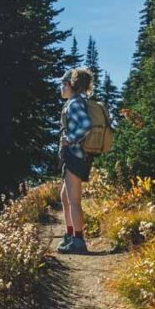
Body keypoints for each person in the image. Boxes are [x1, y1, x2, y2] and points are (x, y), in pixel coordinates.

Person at [58, 68, 94, 254]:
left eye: (63, 84)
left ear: (70, 85)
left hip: (75, 156)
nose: (61, 88)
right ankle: (71, 235)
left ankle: (78, 240)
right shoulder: (76, 102)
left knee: (73, 200)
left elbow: (86, 125)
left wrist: (70, 139)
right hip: (73, 156)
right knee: (65, 197)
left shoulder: (74, 104)